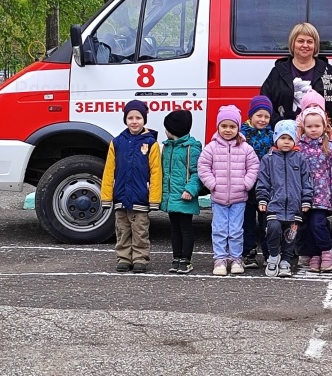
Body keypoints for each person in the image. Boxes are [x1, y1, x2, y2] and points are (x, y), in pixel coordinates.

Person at [197, 105, 260, 276]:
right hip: (218, 198)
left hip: (239, 198)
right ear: (218, 126)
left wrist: (246, 183)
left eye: (232, 126)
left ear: (238, 127)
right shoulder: (211, 147)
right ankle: (220, 259)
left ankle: (236, 259)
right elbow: (203, 166)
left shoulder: (246, 148)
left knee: (236, 230)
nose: (228, 130)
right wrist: (212, 184)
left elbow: (254, 166)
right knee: (219, 229)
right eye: (224, 126)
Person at [101, 100, 162, 273]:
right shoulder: (117, 142)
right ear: (125, 119)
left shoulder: (151, 143)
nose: (134, 121)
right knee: (122, 230)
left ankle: (140, 258)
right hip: (121, 196)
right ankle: (123, 258)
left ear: (144, 120)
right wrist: (106, 196)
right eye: (130, 118)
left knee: (140, 230)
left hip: (141, 197)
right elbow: (109, 171)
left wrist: (154, 198)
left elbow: (156, 172)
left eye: (138, 117)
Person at [260, 22, 332, 134]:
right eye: (300, 41)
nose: (305, 45)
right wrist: (282, 127)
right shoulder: (277, 71)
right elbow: (265, 105)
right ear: (293, 44)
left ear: (315, 45)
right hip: (287, 138)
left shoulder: (329, 71)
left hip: (321, 139)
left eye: (310, 42)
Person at [257, 120, 314, 278]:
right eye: (282, 138)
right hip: (274, 205)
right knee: (273, 229)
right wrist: (262, 199)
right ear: (276, 139)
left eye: (290, 138)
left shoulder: (300, 159)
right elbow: (263, 181)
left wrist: (306, 199)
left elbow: (306, 181)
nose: (286, 142)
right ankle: (274, 256)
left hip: (294, 206)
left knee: (291, 235)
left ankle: (286, 261)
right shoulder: (268, 159)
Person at [297, 106, 332, 272]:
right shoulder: (299, 147)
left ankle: (327, 250)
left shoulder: (329, 146)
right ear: (303, 127)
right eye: (309, 126)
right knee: (306, 225)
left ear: (324, 126)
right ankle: (314, 254)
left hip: (323, 196)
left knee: (318, 224)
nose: (313, 129)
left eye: (317, 126)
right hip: (304, 196)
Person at [160, 110, 203, 275]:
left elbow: (197, 172)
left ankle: (186, 259)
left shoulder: (191, 148)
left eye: (167, 127)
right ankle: (176, 257)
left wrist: (190, 190)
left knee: (185, 228)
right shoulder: (168, 146)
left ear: (174, 129)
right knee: (174, 228)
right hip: (171, 196)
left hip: (185, 196)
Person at [240, 95, 275, 269]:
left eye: (266, 116)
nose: (262, 119)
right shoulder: (241, 135)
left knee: (266, 222)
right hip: (246, 185)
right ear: (251, 115)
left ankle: (270, 254)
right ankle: (248, 252)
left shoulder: (272, 135)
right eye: (259, 115)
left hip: (266, 186)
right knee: (247, 222)